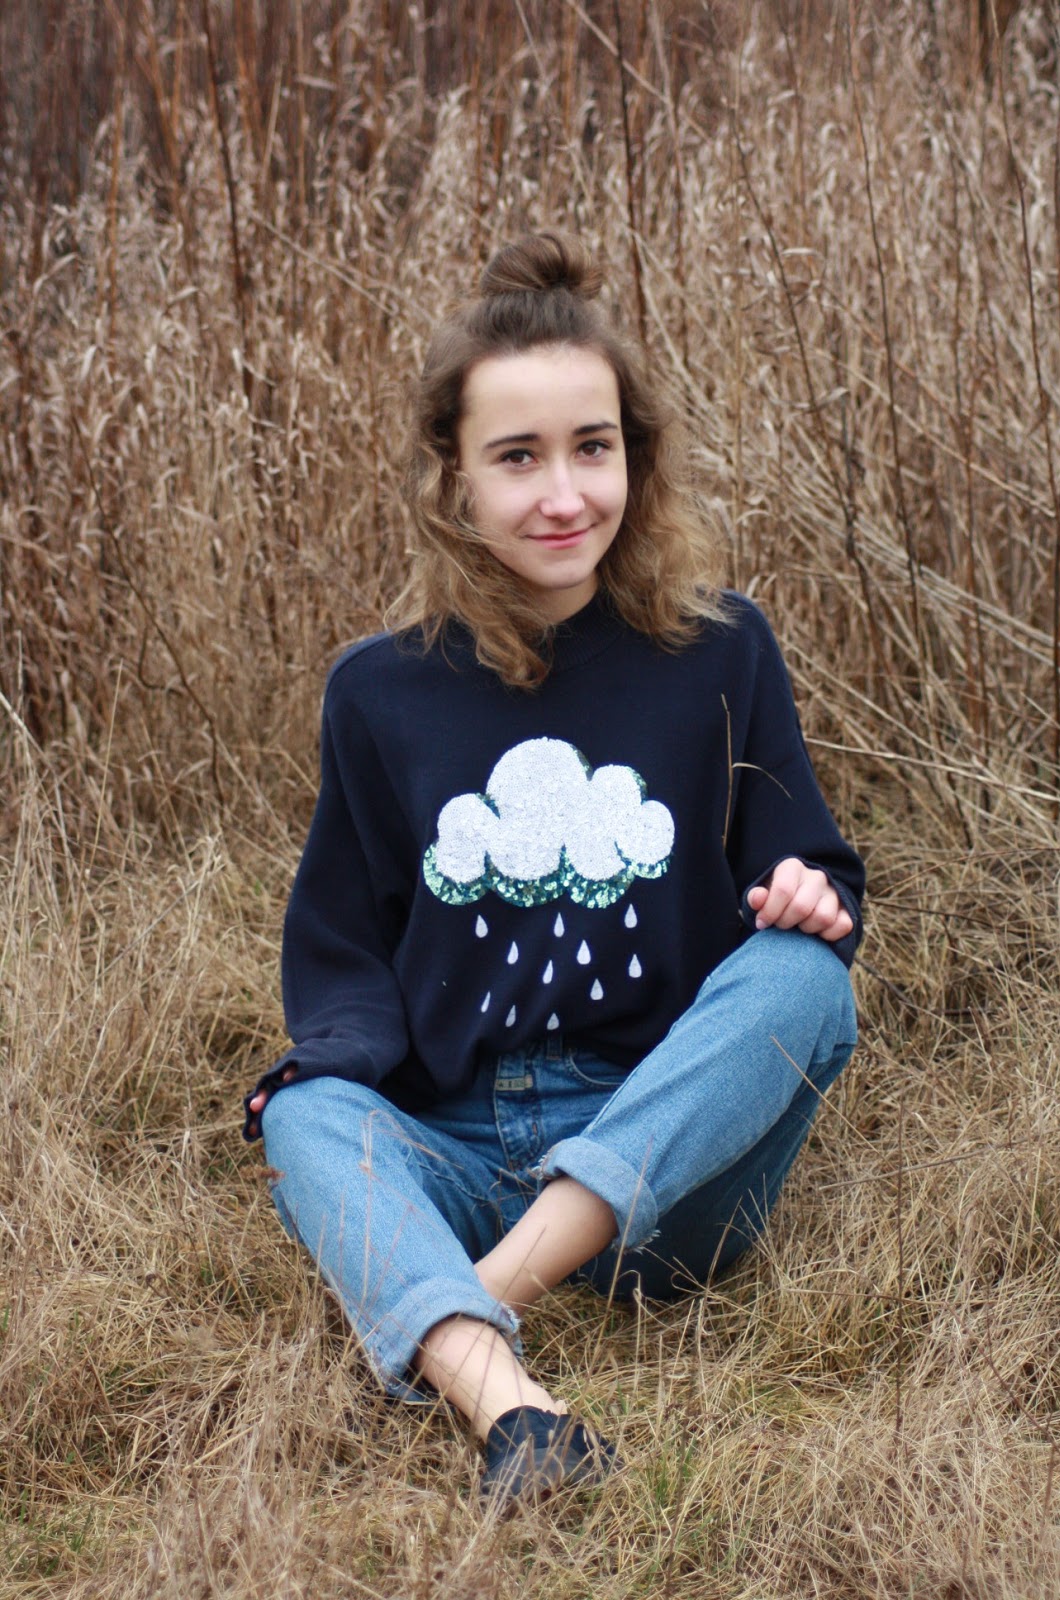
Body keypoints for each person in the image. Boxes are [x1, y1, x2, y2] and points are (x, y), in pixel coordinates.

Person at [243, 230, 863, 1510]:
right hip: (459, 1145)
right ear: (452, 477)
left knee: (805, 981)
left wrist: (806, 893)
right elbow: (344, 943)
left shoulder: (720, 651)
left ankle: (469, 1300)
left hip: (665, 1171)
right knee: (304, 1116)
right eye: (517, 457)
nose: (564, 493)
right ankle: (513, 1411)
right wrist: (329, 1074)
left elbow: (803, 856)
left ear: (635, 452)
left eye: (593, 447)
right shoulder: (376, 691)